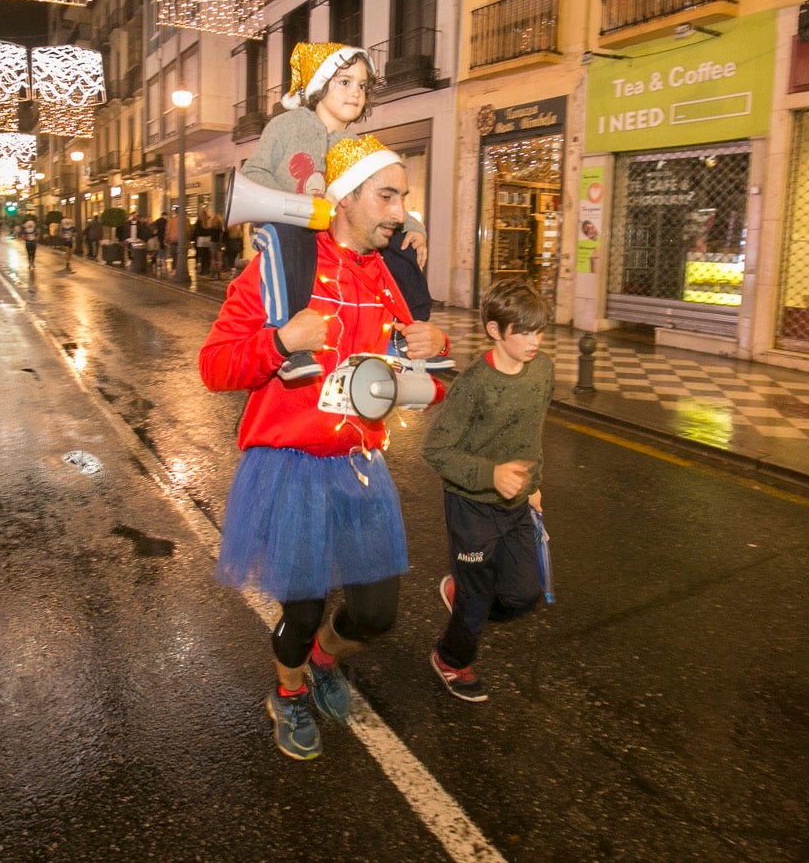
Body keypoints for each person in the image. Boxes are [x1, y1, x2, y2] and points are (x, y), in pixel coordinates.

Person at [199, 135, 451, 762]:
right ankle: (288, 693)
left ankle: (321, 663)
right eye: (386, 196)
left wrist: (435, 349)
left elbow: (427, 387)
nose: (399, 211)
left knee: (376, 613)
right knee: (303, 605)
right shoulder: (283, 268)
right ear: (344, 198)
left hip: (361, 465)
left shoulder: (397, 275)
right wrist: (282, 341)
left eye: (403, 197)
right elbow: (214, 366)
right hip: (290, 465)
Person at [240, 42, 433, 380]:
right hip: (290, 227)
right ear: (319, 83)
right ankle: (292, 346)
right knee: (288, 244)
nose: (355, 93)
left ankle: (406, 334)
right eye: (344, 82)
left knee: (400, 248)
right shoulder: (285, 127)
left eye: (361, 85)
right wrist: (296, 204)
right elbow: (256, 173)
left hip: (333, 238)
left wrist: (412, 226)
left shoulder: (355, 142)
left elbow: (378, 189)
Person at [420, 280, 554, 703]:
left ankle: (463, 597)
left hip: (517, 504)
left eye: (540, 331)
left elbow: (532, 433)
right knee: (477, 605)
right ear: (495, 331)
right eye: (524, 332)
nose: (535, 342)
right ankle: (450, 660)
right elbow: (435, 450)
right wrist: (491, 474)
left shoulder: (543, 369)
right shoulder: (473, 385)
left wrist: (533, 486)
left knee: (522, 594)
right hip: (471, 506)